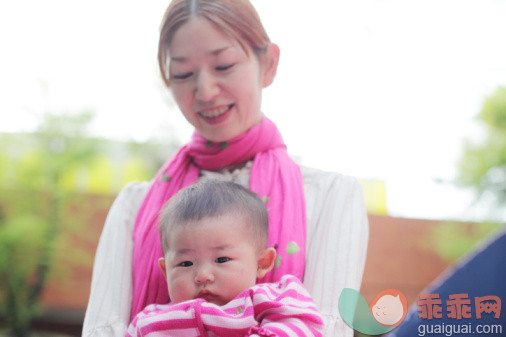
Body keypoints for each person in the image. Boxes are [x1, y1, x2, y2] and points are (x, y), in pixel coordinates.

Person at [83, 1, 369, 336]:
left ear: (269, 64)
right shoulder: (135, 206)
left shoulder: (331, 197)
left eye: (224, 65)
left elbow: (326, 328)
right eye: (184, 74)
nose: (204, 91)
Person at [125, 180, 324, 336]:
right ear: (166, 270)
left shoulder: (269, 300)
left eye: (221, 259)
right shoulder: (150, 320)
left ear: (261, 262)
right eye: (185, 263)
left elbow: (303, 326)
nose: (202, 276)